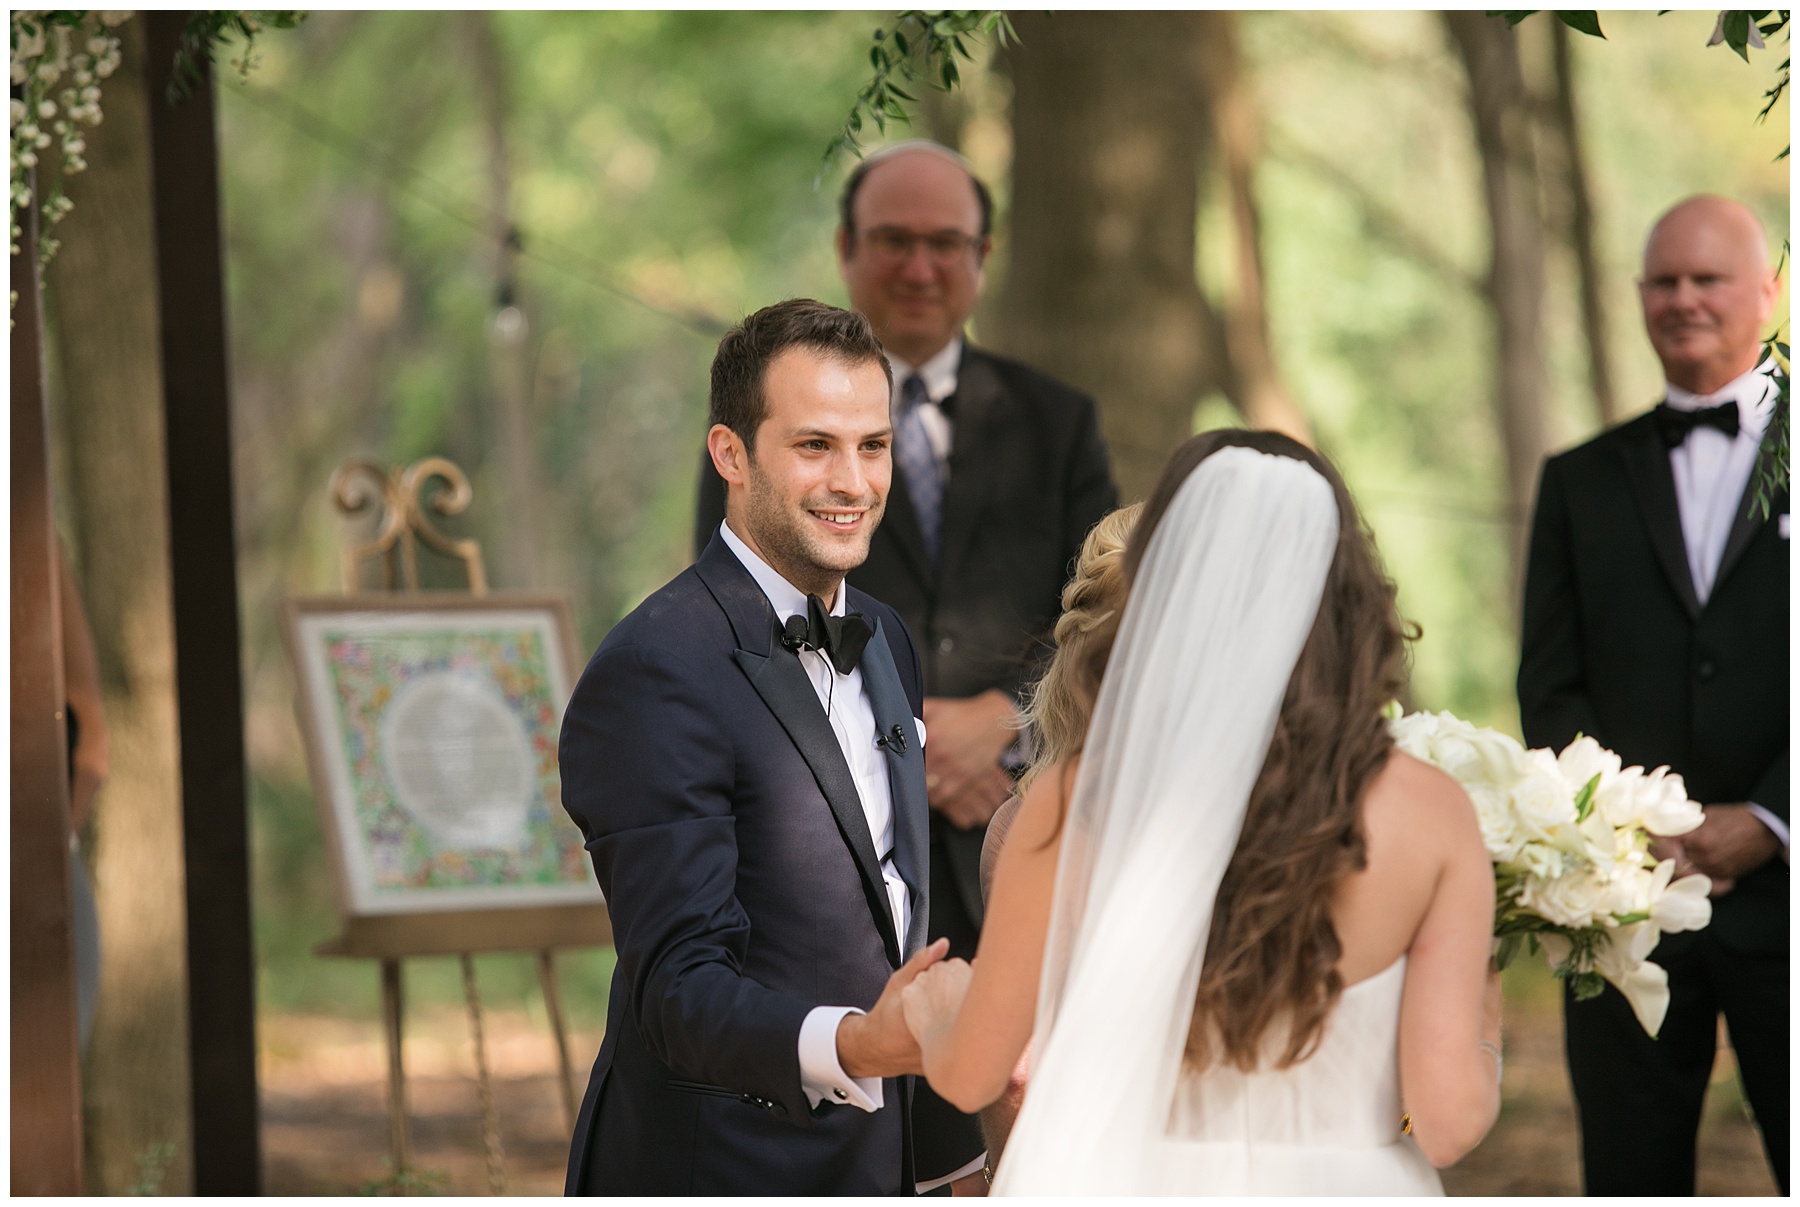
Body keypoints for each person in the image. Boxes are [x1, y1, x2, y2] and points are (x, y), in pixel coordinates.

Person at [899, 430, 1503, 1194]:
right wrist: (1482, 1021)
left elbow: (973, 1072)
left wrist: (938, 1006)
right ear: (1345, 592)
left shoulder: (1076, 797)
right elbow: (1447, 1120)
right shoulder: (1431, 811)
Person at [693, 140, 1117, 1185]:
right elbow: (739, 616)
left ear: (984, 253)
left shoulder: (1060, 422)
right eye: (892, 240)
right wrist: (892, 734)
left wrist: (1009, 725)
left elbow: (1109, 617)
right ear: (847, 249)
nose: (918, 266)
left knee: (1034, 1114)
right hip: (829, 859)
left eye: (944, 243)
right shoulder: (761, 422)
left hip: (1022, 821)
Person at [559, 299, 982, 1194]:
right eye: (815, 445)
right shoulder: (653, 669)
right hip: (719, 1165)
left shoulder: (884, 634)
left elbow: (891, 907)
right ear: (731, 454)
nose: (855, 481)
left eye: (873, 445)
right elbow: (675, 989)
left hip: (877, 1162)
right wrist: (860, 1042)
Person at [1518, 195, 1788, 1195]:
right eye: (1664, 281)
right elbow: (1548, 687)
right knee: (1631, 1177)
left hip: (1790, 894)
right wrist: (1630, 831)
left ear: (1766, 290)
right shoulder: (1578, 481)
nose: (1683, 299)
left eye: (1707, 278)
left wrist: (1768, 816)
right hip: (1622, 903)